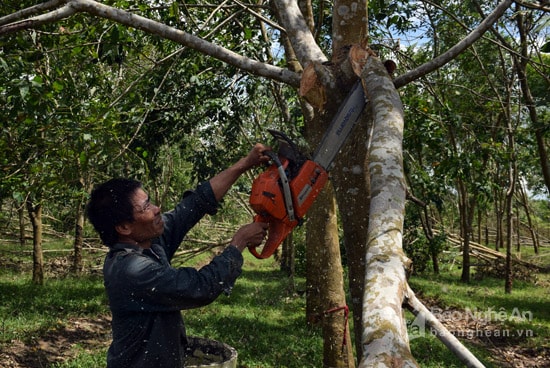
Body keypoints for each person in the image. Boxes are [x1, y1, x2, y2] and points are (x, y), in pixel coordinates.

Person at [86, 144, 270, 368]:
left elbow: (195, 204)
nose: (156, 209)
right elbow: (201, 287)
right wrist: (239, 242)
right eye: (145, 207)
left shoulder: (150, 243)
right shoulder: (131, 270)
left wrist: (245, 163)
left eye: (151, 201)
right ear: (124, 227)